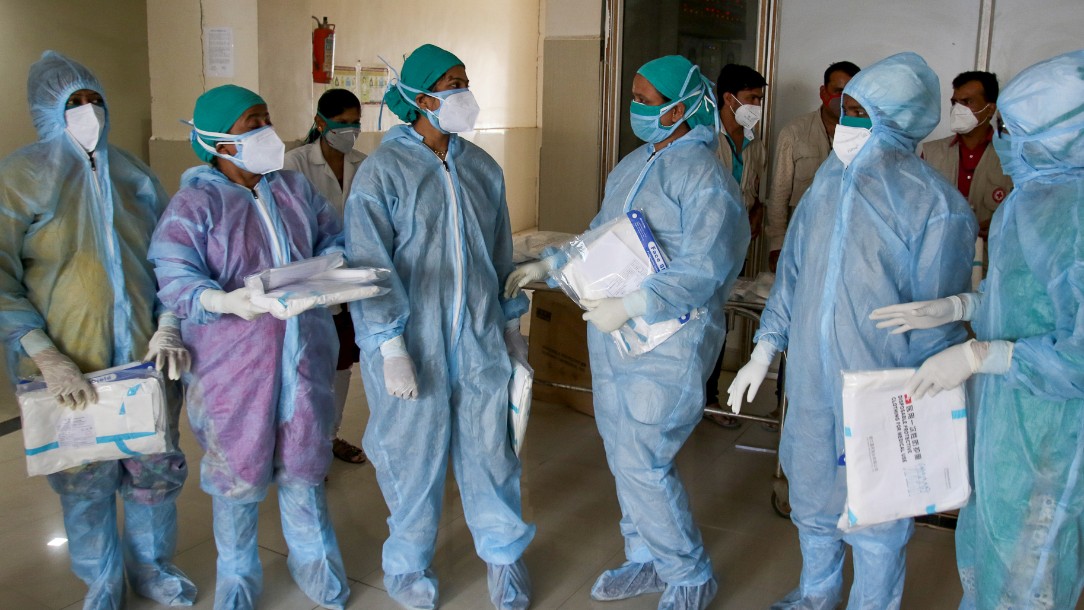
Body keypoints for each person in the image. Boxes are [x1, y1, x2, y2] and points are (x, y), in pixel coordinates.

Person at [728, 52, 977, 609]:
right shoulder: (825, 186)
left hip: (887, 387)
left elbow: (938, 324)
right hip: (815, 381)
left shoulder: (937, 208)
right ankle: (816, 594)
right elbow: (792, 276)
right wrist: (765, 349)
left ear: (900, 119)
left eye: (863, 110)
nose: (847, 121)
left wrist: (927, 400)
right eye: (848, 107)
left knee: (878, 515)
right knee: (814, 497)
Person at [509, 55, 749, 610]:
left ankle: (688, 573)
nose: (636, 108)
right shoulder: (634, 162)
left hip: (668, 338)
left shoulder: (705, 176)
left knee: (645, 458)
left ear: (683, 107)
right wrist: (553, 264)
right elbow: (603, 235)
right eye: (635, 98)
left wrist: (637, 302)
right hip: (616, 337)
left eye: (645, 99)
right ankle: (644, 556)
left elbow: (707, 266)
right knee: (622, 452)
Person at [870, 49, 1084, 610]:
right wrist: (960, 305)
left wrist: (979, 357)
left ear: (1060, 133)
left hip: (1052, 428)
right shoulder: (1029, 200)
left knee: (1031, 569)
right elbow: (1023, 297)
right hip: (1007, 417)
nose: (1003, 138)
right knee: (993, 548)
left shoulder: (1076, 215)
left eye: (1014, 127)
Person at [0, 51, 195, 609]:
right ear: (47, 112)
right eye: (73, 103)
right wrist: (44, 354)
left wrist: (168, 325)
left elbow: (170, 259)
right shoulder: (19, 180)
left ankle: (152, 570)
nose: (89, 113)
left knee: (152, 474)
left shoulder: (134, 175)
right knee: (84, 483)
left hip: (144, 362)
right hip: (70, 365)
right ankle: (102, 583)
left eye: (95, 100)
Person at [345, 44, 533, 610]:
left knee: (491, 455)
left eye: (466, 81)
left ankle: (504, 563)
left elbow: (500, 256)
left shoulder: (481, 168)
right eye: (453, 83)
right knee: (412, 461)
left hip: (478, 339)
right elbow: (368, 266)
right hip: (412, 345)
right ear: (422, 98)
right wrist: (390, 345)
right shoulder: (383, 172)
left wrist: (509, 327)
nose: (464, 93)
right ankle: (405, 569)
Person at [148, 84, 350, 610]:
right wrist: (224, 301)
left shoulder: (292, 189)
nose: (267, 132)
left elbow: (332, 236)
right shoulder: (194, 204)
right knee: (236, 478)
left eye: (267, 118)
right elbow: (174, 277)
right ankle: (237, 581)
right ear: (218, 141)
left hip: (303, 355)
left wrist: (331, 267)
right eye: (252, 122)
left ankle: (317, 568)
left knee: (305, 467)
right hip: (232, 368)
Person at [284, 88, 368, 465]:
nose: (350, 132)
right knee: (308, 366)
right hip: (310, 280)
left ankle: (329, 437)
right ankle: (303, 443)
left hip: (350, 279)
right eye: (342, 124)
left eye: (355, 124)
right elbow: (290, 226)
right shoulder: (294, 164)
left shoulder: (364, 165)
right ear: (321, 123)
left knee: (341, 362)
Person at [702, 63, 768, 429]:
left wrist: (756, 215)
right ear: (728, 98)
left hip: (736, 248)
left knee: (722, 321)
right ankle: (695, 398)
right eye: (751, 98)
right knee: (698, 321)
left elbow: (755, 194)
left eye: (759, 98)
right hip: (703, 248)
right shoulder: (704, 139)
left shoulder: (754, 143)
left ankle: (710, 399)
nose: (756, 106)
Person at [764, 61, 860, 271]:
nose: (843, 99)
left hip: (847, 243)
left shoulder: (865, 136)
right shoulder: (794, 132)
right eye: (838, 91)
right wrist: (777, 244)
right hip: (800, 239)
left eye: (851, 92)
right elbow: (779, 192)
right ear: (823, 92)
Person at [921, 71, 1013, 288]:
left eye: (967, 102)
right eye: (955, 102)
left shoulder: (1012, 156)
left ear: (990, 108)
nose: (957, 108)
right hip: (938, 267)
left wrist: (1002, 223)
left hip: (993, 272)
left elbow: (1029, 211)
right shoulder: (932, 152)